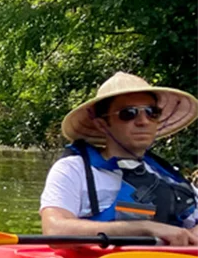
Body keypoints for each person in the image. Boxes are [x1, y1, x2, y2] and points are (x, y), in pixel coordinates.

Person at [40, 72, 198, 244]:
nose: (143, 121)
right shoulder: (73, 169)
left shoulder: (168, 175)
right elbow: (54, 230)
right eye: (128, 113)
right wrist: (143, 228)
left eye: (152, 112)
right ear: (102, 124)